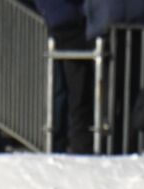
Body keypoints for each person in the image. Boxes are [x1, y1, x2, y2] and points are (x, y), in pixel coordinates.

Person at [34, 0, 94, 153]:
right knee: (74, 92)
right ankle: (74, 144)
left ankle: (62, 142)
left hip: (62, 21)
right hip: (69, 24)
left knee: (63, 92)